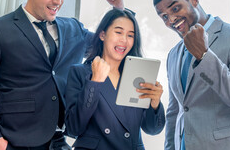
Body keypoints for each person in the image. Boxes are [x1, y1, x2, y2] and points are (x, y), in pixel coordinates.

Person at [0, 0, 124, 150]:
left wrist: (119, 10)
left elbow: (109, 47)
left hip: (59, 141)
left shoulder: (73, 28)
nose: (58, 1)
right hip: (14, 141)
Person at [153, 0, 230, 150]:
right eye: (164, 17)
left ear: (194, 0)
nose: (171, 19)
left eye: (175, 9)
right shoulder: (173, 55)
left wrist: (204, 56)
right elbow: (175, 114)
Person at [65, 8, 165, 150]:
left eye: (130, 35)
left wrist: (155, 104)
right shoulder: (80, 72)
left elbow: (153, 130)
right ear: (102, 34)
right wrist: (94, 83)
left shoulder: (137, 74)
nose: (124, 40)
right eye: (118, 32)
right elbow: (74, 128)